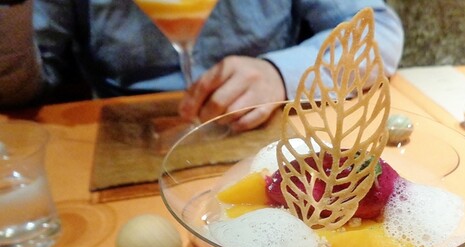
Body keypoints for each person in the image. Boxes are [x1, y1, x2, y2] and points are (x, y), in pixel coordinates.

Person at [1, 0, 404, 130]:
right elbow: (22, 88)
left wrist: (280, 74)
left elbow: (378, 31)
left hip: (264, 131)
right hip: (118, 142)